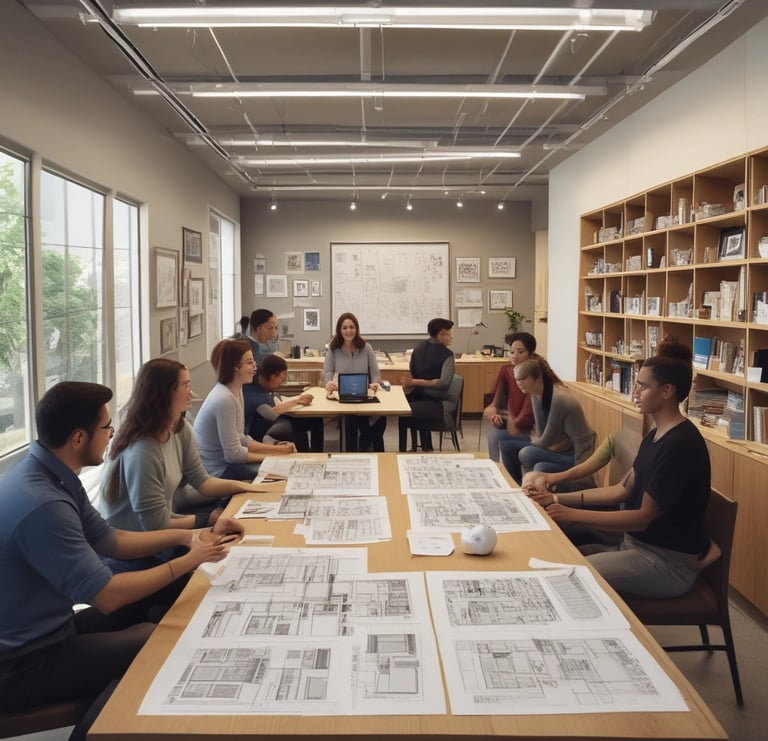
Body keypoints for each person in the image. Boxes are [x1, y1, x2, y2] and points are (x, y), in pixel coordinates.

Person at [0, 382, 240, 716]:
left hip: (52, 629)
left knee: (159, 605)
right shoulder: (44, 503)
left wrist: (191, 536)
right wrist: (190, 560)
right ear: (78, 438)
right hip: (23, 662)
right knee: (157, 641)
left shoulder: (48, 473)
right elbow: (108, 595)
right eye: (106, 427)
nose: (113, 434)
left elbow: (112, 539)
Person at [527, 341, 718, 600]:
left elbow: (641, 518)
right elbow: (621, 490)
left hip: (665, 564)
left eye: (643, 386)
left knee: (574, 576)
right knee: (564, 551)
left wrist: (570, 512)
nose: (635, 392)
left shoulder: (679, 444)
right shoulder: (656, 435)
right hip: (637, 546)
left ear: (667, 391)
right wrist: (555, 498)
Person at [97, 359, 262, 570]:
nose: (191, 393)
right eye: (185, 385)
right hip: (136, 554)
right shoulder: (142, 450)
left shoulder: (179, 427)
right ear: (163, 393)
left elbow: (202, 481)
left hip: (164, 537)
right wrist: (208, 519)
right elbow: (155, 525)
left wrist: (247, 487)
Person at [194, 338, 296, 481]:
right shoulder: (225, 399)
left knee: (284, 466)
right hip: (219, 470)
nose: (255, 367)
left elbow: (241, 439)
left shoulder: (236, 390)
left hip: (228, 464)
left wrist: (278, 450)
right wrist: (271, 457)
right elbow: (234, 455)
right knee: (284, 473)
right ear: (235, 367)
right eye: (249, 363)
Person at [500, 357, 595, 482]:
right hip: (557, 448)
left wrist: (545, 445)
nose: (519, 383)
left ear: (538, 377)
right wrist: (547, 446)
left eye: (523, 378)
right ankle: (517, 485)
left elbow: (549, 438)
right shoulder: (534, 393)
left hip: (576, 455)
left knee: (529, 455)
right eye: (517, 379)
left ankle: (530, 487)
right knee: (506, 445)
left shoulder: (559, 398)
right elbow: (542, 434)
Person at [323, 312, 386, 451]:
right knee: (360, 424)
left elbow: (375, 372)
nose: (348, 331)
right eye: (344, 327)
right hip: (343, 395)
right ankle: (361, 447)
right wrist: (328, 383)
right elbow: (327, 372)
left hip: (364, 393)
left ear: (356, 329)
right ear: (339, 330)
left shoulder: (366, 347)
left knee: (380, 420)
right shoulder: (333, 349)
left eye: (352, 327)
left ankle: (371, 450)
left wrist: (375, 384)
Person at [245, 354, 324, 452]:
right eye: (281, 379)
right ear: (273, 375)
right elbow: (270, 414)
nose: (280, 384)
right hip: (256, 430)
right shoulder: (256, 392)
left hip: (265, 422)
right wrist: (298, 401)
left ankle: (313, 455)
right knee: (293, 425)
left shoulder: (258, 380)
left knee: (314, 420)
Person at [398, 317, 455, 452]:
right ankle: (425, 447)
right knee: (405, 412)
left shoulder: (418, 348)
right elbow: (444, 383)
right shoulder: (447, 354)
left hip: (419, 396)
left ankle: (406, 450)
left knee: (403, 411)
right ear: (440, 334)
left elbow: (414, 372)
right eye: (448, 334)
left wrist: (415, 382)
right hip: (436, 401)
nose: (451, 338)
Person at [482, 331, 535, 461]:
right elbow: (491, 407)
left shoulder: (535, 374)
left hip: (531, 428)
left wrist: (512, 420)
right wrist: (493, 415)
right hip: (511, 421)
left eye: (520, 352)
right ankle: (496, 469)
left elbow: (530, 414)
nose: (514, 357)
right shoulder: (506, 370)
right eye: (512, 352)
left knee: (499, 438)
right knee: (493, 436)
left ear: (530, 354)